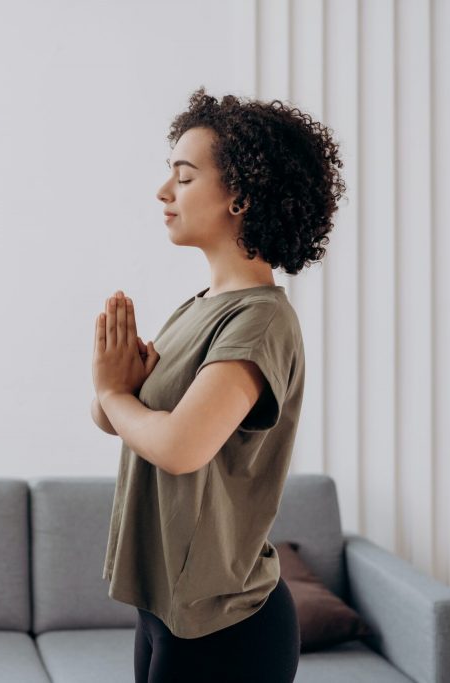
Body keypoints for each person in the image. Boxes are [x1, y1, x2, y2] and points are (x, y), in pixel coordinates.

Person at [92, 88, 345, 682]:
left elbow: (180, 446)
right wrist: (113, 390)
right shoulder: (200, 307)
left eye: (183, 178)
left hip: (226, 625)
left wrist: (112, 394)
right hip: (165, 609)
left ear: (241, 197)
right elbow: (122, 420)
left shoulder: (259, 321)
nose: (163, 193)